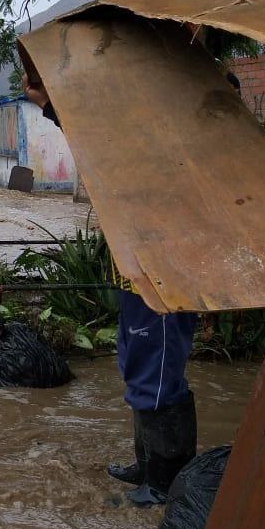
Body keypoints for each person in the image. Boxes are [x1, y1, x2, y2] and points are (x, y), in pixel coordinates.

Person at [22, 72, 197, 506]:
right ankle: (147, 464)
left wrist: (50, 105)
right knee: (138, 364)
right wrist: (49, 104)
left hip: (160, 279)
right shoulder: (146, 142)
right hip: (136, 276)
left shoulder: (170, 148)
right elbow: (99, 138)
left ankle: (163, 482)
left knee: (157, 373)